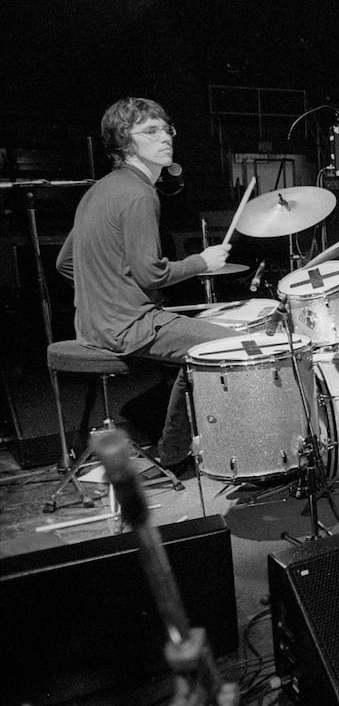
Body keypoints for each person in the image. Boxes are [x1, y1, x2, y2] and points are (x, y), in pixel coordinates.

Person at [56, 97, 237, 469]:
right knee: (226, 345)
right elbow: (152, 274)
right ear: (125, 142)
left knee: (198, 343)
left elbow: (65, 263)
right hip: (128, 327)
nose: (165, 138)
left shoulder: (98, 190)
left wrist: (108, 294)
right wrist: (201, 261)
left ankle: (147, 418)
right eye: (150, 131)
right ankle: (173, 451)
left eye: (166, 129)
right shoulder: (140, 194)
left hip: (91, 326)